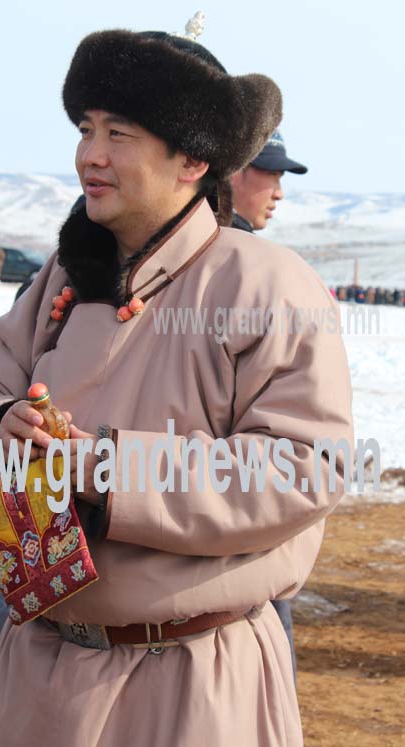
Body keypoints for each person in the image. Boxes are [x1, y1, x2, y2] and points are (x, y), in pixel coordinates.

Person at [0, 27, 353, 746]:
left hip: (190, 680)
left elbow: (302, 467)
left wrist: (103, 468)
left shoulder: (264, 283)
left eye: (119, 134)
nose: (90, 155)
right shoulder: (61, 279)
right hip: (35, 677)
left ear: (193, 158)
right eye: (85, 129)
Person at [230, 130, 308, 680]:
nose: (278, 191)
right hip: (220, 510)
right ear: (232, 168)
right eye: (271, 174)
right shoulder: (243, 268)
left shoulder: (259, 266)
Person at [231, 129, 307, 231]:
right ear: (233, 172)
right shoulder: (222, 239)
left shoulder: (216, 235)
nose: (279, 194)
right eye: (272, 173)